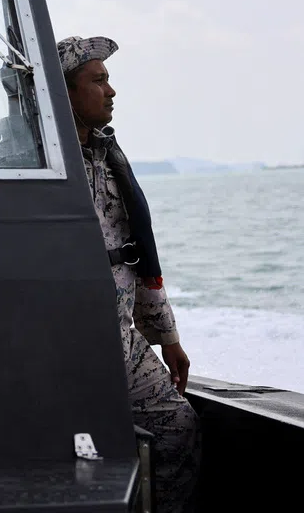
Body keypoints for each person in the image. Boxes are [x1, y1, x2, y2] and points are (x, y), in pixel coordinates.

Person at [57, 36, 200, 513]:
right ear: (64, 92)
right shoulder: (31, 165)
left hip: (120, 336)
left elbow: (134, 256)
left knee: (177, 425)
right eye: (98, 81)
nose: (111, 91)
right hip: (64, 343)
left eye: (109, 79)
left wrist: (167, 337)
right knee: (77, 451)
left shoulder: (108, 159)